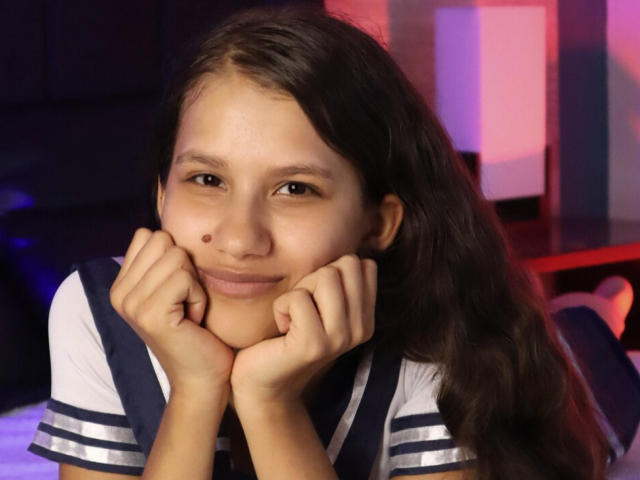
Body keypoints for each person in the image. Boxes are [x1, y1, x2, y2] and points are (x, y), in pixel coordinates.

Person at [28, 7, 639, 480]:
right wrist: (195, 388)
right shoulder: (98, 311)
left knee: (580, 347)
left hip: (563, 373)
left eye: (295, 188)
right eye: (207, 180)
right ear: (162, 194)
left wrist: (270, 402)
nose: (238, 239)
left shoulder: (442, 334)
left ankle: (603, 308)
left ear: (378, 223)